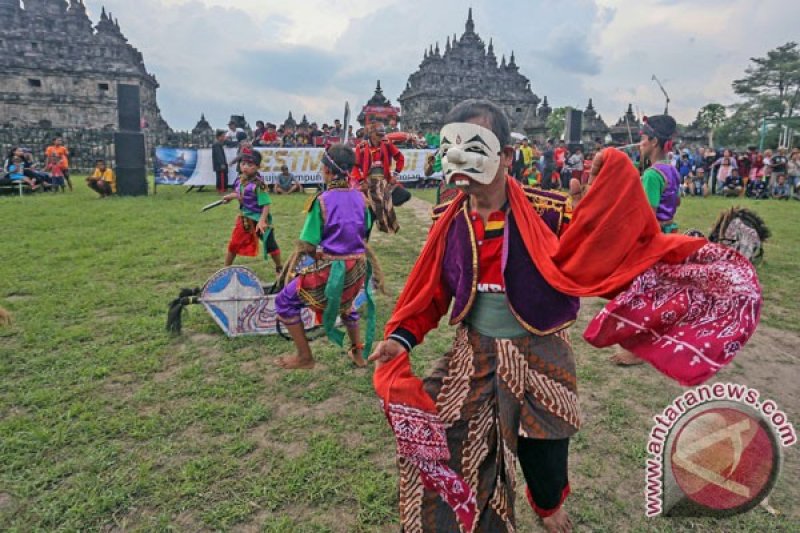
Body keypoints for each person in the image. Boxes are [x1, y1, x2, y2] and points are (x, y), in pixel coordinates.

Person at [275, 144, 377, 370]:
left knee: (284, 301)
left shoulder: (321, 201)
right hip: (357, 269)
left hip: (333, 272)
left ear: (328, 171)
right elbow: (364, 232)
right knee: (347, 305)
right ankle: (358, 355)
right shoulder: (362, 199)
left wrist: (318, 253)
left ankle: (304, 357)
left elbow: (309, 244)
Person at [220, 151, 283, 275]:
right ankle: (224, 271)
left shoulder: (259, 185)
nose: (245, 167)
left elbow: (266, 204)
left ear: (257, 167)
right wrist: (230, 196)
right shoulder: (240, 180)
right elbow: (240, 194)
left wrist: (262, 221)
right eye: (243, 164)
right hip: (245, 218)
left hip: (260, 218)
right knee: (234, 243)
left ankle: (279, 267)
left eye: (249, 165)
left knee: (270, 244)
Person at [354, 122, 405, 234]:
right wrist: (362, 181)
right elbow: (355, 167)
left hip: (384, 181)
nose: (382, 137)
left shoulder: (386, 143)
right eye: (379, 135)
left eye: (383, 135)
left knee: (387, 204)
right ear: (371, 134)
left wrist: (395, 175)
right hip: (368, 183)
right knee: (370, 209)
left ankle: (388, 225)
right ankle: (365, 234)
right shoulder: (361, 147)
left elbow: (400, 158)